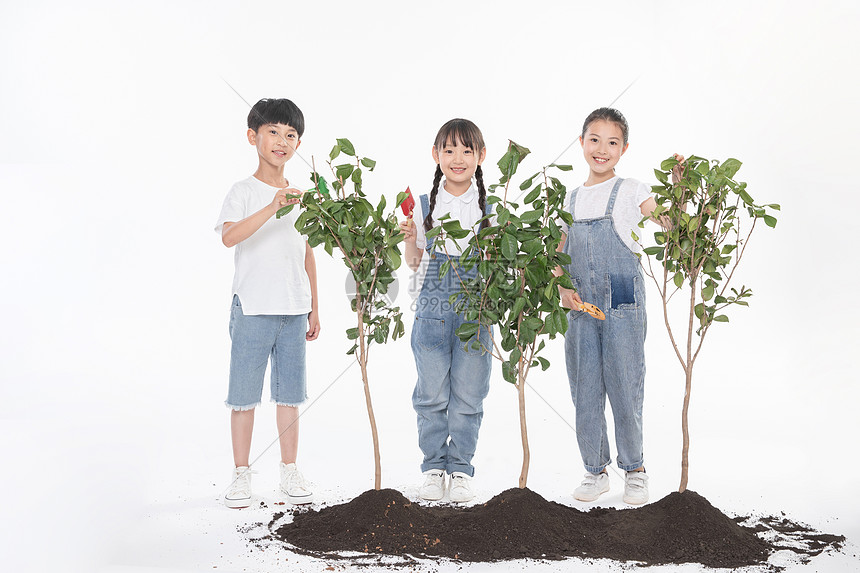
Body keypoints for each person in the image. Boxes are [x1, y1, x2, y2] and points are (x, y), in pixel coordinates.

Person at [557, 107, 682, 505]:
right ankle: (595, 471)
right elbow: (558, 254)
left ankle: (635, 470)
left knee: (625, 384)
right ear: (581, 143)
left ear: (624, 148)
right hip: (580, 303)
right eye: (594, 140)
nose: (602, 149)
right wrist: (562, 291)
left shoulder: (632, 190)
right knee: (585, 388)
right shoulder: (570, 197)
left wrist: (679, 186)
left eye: (612, 142)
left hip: (623, 298)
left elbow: (668, 223)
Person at [214, 98, 320, 508]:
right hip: (253, 307)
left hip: (294, 308)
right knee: (243, 396)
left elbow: (307, 250)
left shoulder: (303, 194)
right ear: (252, 136)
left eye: (291, 135)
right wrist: (272, 206)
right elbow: (229, 236)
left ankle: (289, 469)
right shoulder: (242, 191)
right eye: (273, 131)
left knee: (290, 395)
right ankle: (241, 473)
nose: (282, 141)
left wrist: (315, 306)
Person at [399, 119, 494, 503]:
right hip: (432, 310)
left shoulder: (492, 207)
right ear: (436, 155)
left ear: (480, 156)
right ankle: (434, 467)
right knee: (431, 395)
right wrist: (409, 240)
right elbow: (414, 262)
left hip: (477, 313)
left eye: (467, 150)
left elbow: (498, 263)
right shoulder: (424, 206)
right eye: (449, 150)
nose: (458, 158)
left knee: (470, 395)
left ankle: (461, 469)